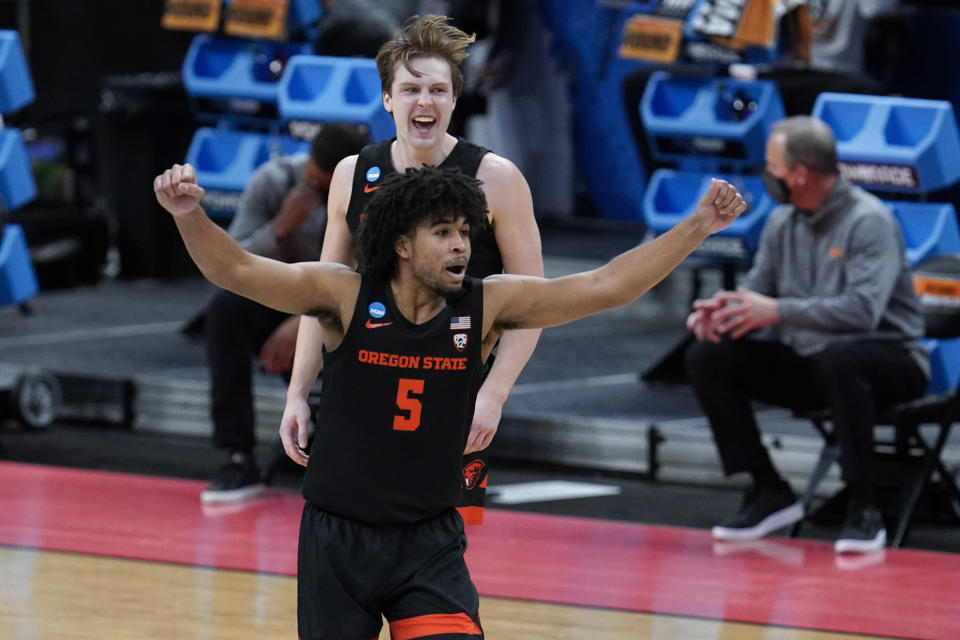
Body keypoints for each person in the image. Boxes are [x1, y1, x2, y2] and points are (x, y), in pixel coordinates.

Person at [154, 160, 746, 640]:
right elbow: (235, 267)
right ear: (404, 244)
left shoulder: (487, 305)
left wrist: (695, 228)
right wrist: (189, 215)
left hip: (428, 541)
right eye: (443, 232)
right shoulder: (343, 294)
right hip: (338, 543)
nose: (461, 245)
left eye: (465, 231)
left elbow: (606, 285)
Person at [283, 14, 545, 524]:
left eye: (437, 90)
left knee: (440, 535)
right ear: (387, 99)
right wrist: (298, 394)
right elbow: (320, 297)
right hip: (361, 381)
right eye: (410, 89)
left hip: (449, 386)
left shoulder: (498, 179)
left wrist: (493, 396)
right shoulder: (352, 173)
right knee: (342, 526)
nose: (423, 101)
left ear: (453, 100)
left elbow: (533, 304)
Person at [684, 116, 930, 554]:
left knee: (841, 359)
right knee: (707, 356)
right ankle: (768, 490)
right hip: (816, 362)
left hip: (891, 361)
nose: (766, 175)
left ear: (799, 174)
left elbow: (863, 313)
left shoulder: (868, 221)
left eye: (771, 166)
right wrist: (722, 311)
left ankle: (864, 505)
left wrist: (777, 311)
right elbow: (758, 292)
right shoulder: (782, 222)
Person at [200, 122, 371, 503]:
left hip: (339, 313)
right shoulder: (273, 181)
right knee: (224, 312)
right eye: (317, 181)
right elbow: (231, 266)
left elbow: (374, 278)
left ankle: (350, 453)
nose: (320, 193)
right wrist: (280, 228)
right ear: (308, 163)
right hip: (279, 303)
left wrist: (306, 318)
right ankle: (237, 458)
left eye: (330, 188)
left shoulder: (371, 195)